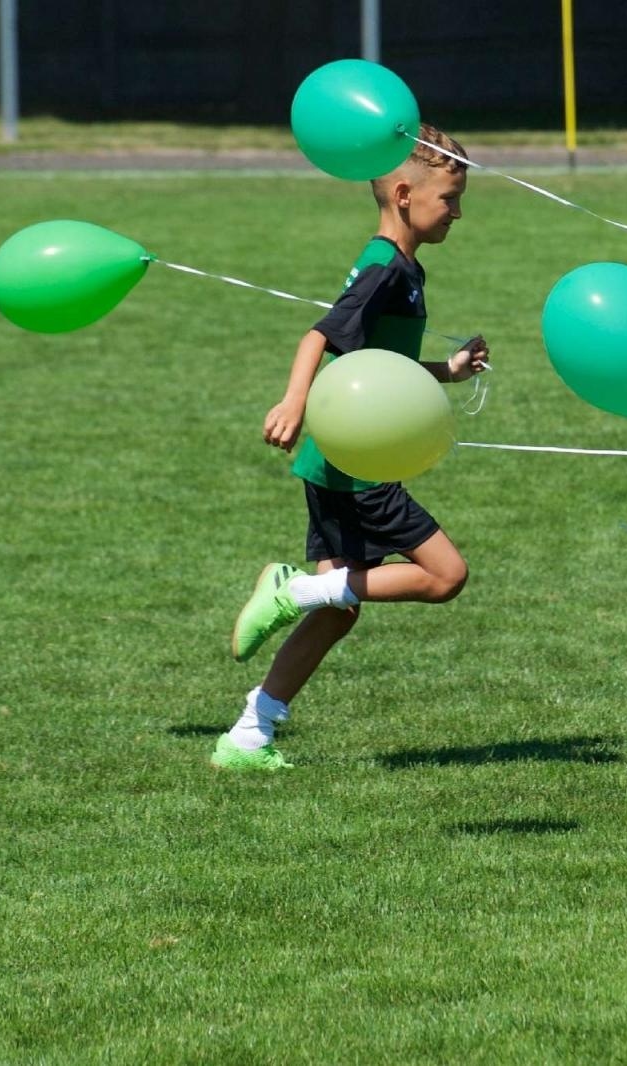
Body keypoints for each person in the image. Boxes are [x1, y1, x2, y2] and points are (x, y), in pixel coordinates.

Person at [210, 123, 489, 772]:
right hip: (357, 463)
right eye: (448, 197)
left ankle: (248, 736)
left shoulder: (403, 268)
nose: (457, 211)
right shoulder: (384, 268)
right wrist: (292, 401)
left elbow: (377, 370)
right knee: (446, 576)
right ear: (402, 194)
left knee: (339, 612)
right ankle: (289, 590)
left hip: (336, 457)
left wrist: (446, 370)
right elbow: (321, 336)